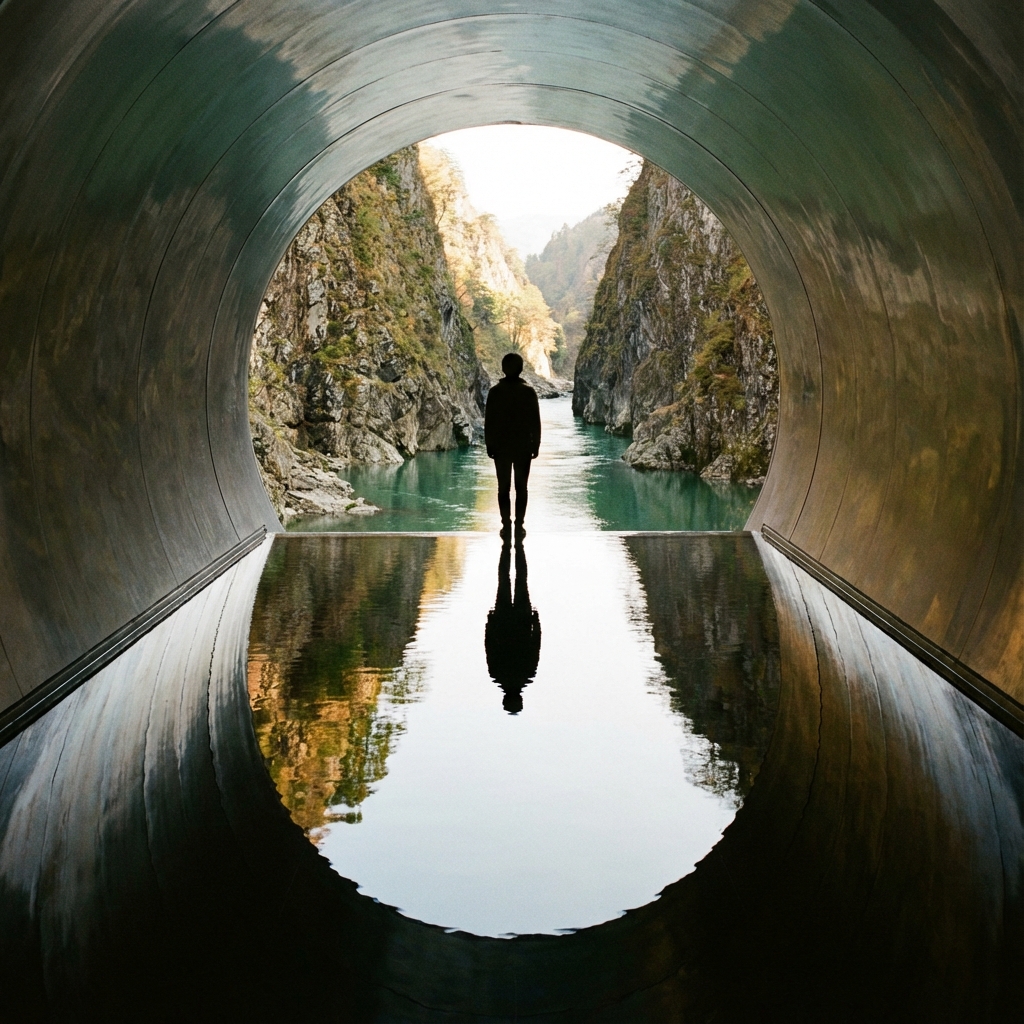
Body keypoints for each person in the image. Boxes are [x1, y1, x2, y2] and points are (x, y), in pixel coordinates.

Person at [484, 352, 541, 540]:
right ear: (521, 369)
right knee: (522, 488)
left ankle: (505, 524)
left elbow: (489, 422)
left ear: (503, 368)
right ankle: (519, 525)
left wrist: (489, 444)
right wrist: (536, 444)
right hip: (523, 446)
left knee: (503, 488)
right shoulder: (528, 391)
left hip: (501, 446)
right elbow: (535, 422)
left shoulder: (495, 392)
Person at [484, 542, 541, 714]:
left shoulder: (528, 674)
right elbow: (489, 646)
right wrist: (490, 623)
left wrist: (536, 622)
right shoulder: (495, 674)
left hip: (521, 620)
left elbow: (535, 645)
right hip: (503, 619)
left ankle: (516, 547)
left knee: (521, 580)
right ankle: (509, 547)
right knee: (504, 579)